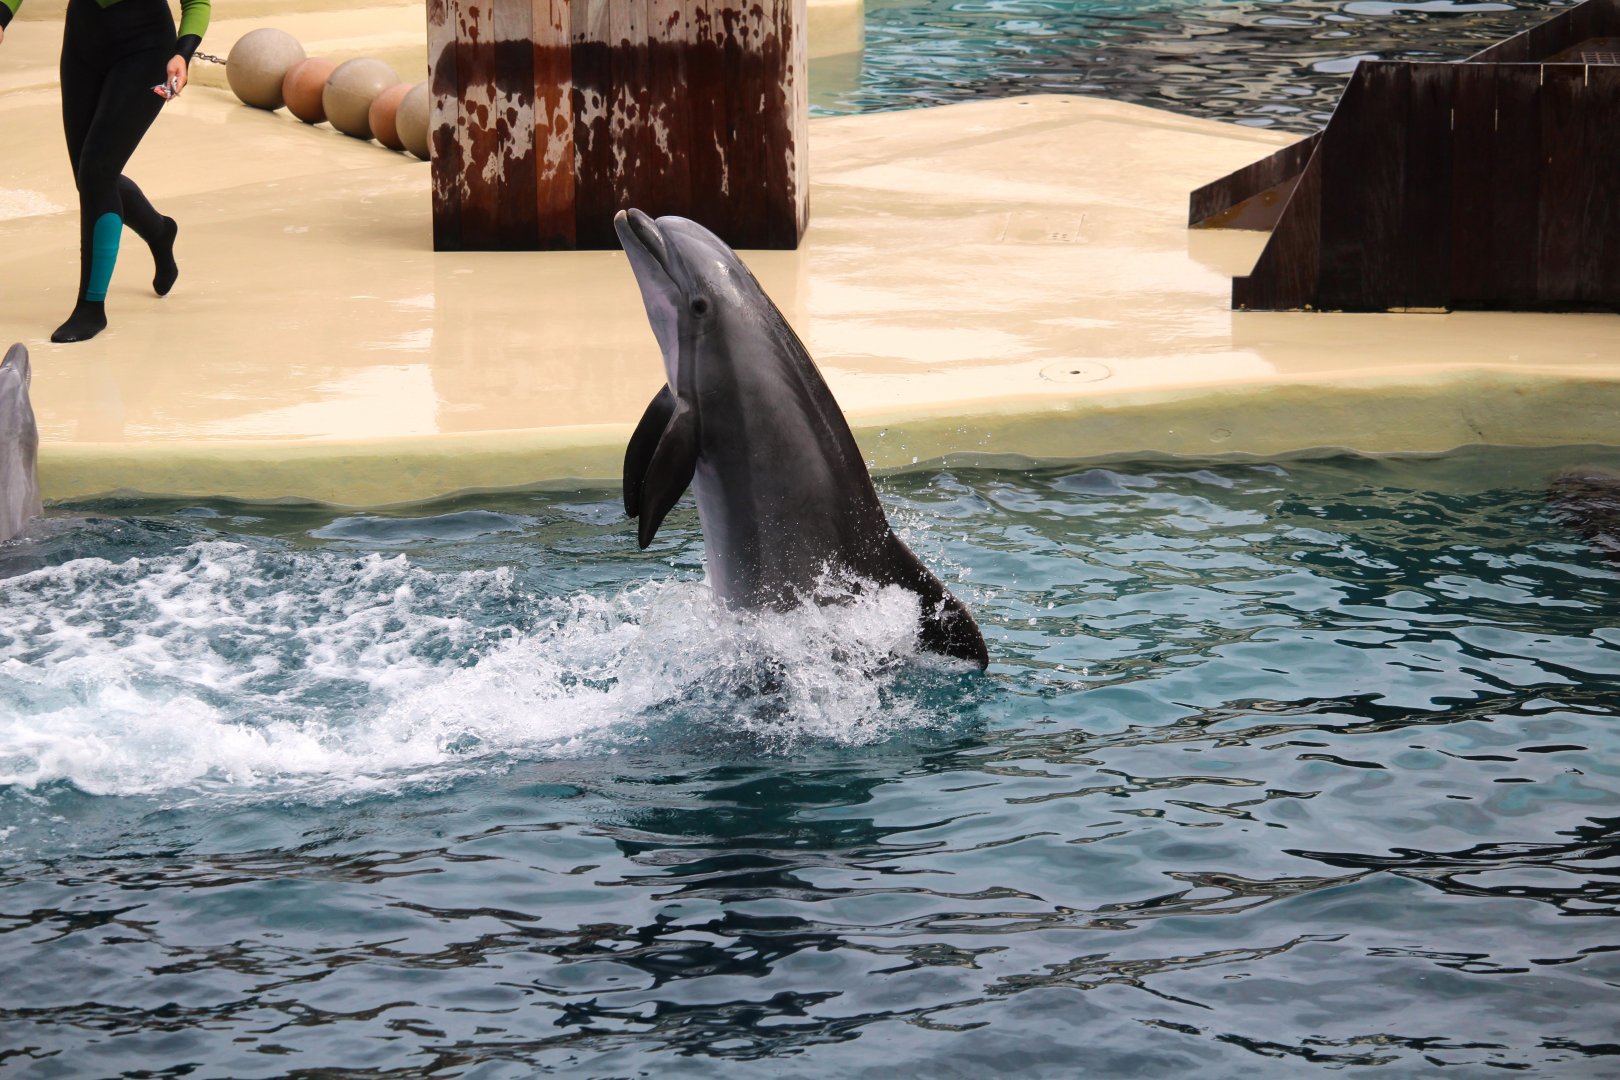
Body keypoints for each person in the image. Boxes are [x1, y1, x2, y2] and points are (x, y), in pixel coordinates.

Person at [0, 0, 211, 342]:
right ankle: (159, 232)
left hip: (146, 49)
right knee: (91, 177)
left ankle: (91, 308)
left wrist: (182, 53)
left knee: (97, 174)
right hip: (83, 44)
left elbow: (197, 3)